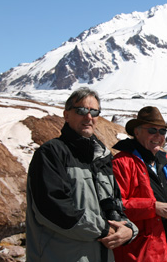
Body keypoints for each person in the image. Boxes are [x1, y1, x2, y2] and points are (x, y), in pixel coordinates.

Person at [26, 87, 138, 262]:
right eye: (81, 110)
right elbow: (51, 208)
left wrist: (128, 229)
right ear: (66, 115)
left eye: (94, 111)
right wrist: (102, 229)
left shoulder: (102, 157)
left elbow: (114, 205)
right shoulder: (51, 153)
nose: (88, 117)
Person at [112, 106, 167, 262]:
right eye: (152, 130)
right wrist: (153, 207)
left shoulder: (165, 163)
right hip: (141, 252)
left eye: (162, 131)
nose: (158, 136)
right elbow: (117, 206)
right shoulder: (121, 163)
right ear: (137, 132)